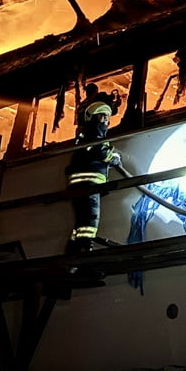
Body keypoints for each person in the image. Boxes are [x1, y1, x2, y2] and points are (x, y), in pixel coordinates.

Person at [64, 93, 120, 255]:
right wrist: (114, 158)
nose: (105, 121)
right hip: (89, 184)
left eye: (107, 118)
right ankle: (85, 251)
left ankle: (72, 252)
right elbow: (100, 152)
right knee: (90, 220)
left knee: (80, 222)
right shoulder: (94, 132)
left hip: (78, 184)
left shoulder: (84, 135)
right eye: (102, 117)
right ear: (94, 118)